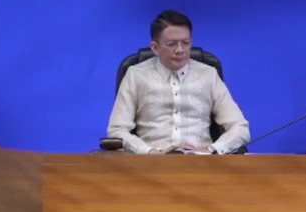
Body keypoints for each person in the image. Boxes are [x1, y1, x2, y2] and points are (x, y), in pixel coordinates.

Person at [107, 11, 250, 154]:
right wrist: (149, 151)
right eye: (171, 44)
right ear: (155, 48)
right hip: (150, 164)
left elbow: (240, 127)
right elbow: (117, 130)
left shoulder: (209, 74)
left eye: (186, 43)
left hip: (201, 164)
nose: (180, 50)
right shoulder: (135, 75)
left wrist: (211, 150)